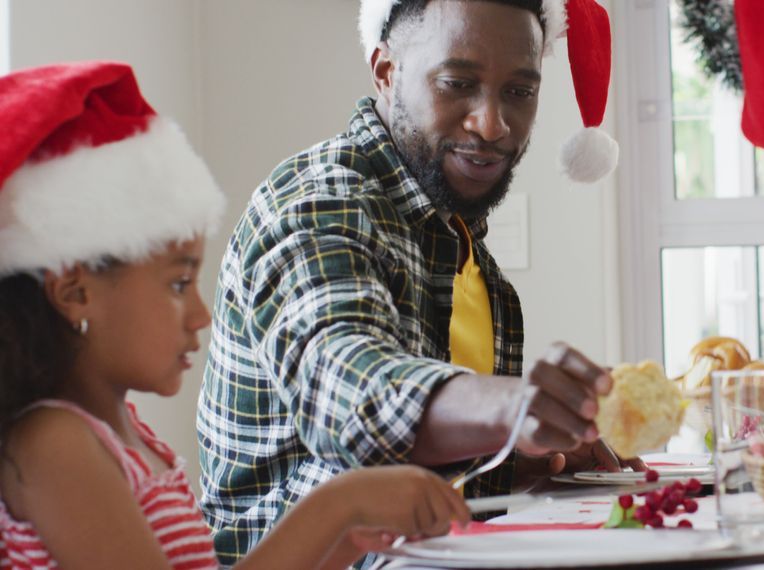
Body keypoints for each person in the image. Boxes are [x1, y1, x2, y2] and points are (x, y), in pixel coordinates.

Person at [197, 0, 629, 563]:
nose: (492, 123)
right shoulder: (318, 203)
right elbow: (349, 392)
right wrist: (511, 407)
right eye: (457, 83)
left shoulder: (464, 248)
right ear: (385, 71)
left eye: (519, 91)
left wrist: (518, 458)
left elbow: (412, 481)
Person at [0, 61, 468, 570]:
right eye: (179, 284)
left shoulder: (127, 438)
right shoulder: (56, 445)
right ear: (75, 293)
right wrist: (340, 502)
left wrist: (348, 536)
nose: (201, 315)